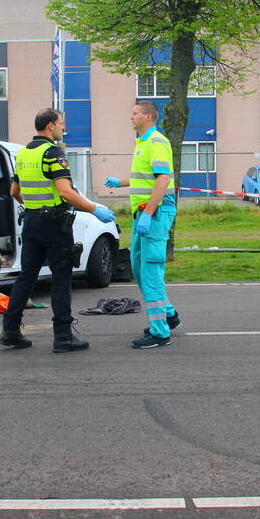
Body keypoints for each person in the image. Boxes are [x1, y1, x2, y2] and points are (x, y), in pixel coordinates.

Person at [0, 108, 116, 353]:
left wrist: (33, 208)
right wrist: (94, 209)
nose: (64, 128)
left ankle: (10, 331)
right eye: (61, 123)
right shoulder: (53, 152)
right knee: (61, 279)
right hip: (54, 224)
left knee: (26, 277)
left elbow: (14, 192)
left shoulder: (23, 153)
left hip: (31, 221)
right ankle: (63, 337)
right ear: (50, 125)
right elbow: (64, 191)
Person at [103, 100, 180, 348]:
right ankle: (169, 315)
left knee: (150, 272)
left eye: (135, 113)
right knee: (138, 267)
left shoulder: (157, 141)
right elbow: (147, 178)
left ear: (148, 117)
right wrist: (122, 182)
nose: (131, 117)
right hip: (144, 212)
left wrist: (149, 212)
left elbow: (163, 179)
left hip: (153, 213)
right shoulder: (142, 143)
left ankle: (160, 332)